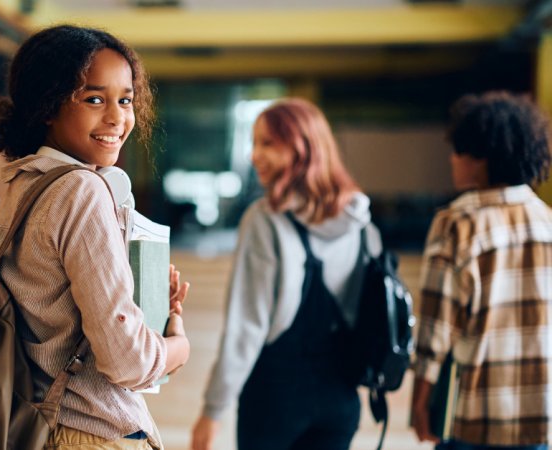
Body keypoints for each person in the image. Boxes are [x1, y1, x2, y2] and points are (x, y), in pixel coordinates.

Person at [0, 24, 190, 450]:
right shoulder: (82, 190)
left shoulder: (23, 186)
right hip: (87, 432)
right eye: (94, 99)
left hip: (25, 424)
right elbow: (126, 360)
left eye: (125, 100)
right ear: (48, 106)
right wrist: (176, 345)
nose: (117, 117)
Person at [191, 98, 382, 450]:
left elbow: (246, 327)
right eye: (254, 143)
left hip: (275, 397)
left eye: (267, 143)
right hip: (341, 397)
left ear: (300, 149)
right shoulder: (361, 224)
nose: (254, 156)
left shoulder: (264, 220)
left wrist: (211, 411)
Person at [411, 91, 552, 450]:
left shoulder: (457, 223)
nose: (452, 160)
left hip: (476, 417)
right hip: (542, 416)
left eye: (459, 150)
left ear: (482, 158)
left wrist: (420, 400)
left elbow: (435, 328)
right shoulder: (547, 222)